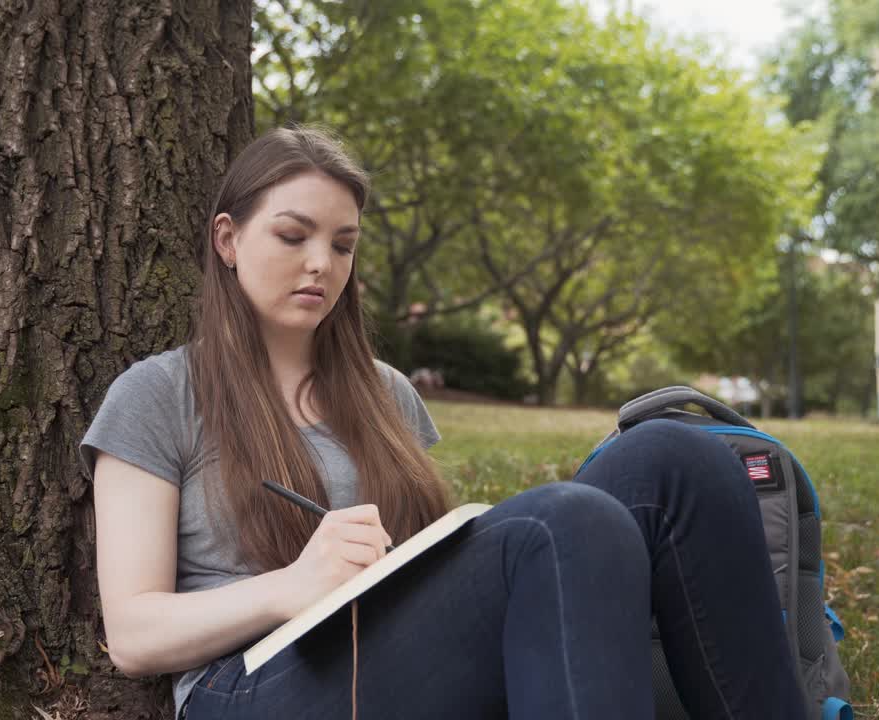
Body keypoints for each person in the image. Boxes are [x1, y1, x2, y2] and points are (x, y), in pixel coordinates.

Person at [80, 126, 805, 719]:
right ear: (228, 239)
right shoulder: (159, 393)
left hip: (396, 662)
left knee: (678, 458)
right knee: (561, 523)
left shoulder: (386, 395)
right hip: (249, 688)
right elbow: (134, 637)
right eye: (293, 236)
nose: (320, 265)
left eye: (342, 245)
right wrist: (287, 587)